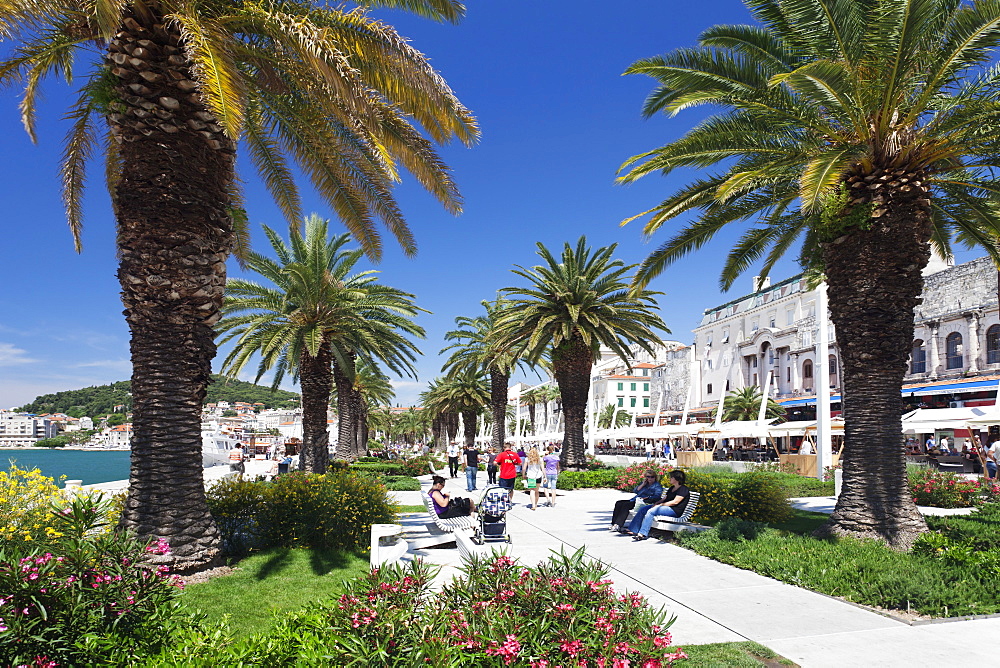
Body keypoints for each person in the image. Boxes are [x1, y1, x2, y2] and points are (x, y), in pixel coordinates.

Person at [630, 470, 690, 541]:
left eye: (671, 477)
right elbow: (664, 498)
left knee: (651, 511)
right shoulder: (672, 488)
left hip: (674, 510)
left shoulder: (683, 489)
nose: (669, 479)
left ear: (677, 479)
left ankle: (642, 534)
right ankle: (634, 530)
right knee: (643, 509)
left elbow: (675, 502)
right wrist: (657, 503)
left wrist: (660, 505)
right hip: (665, 507)